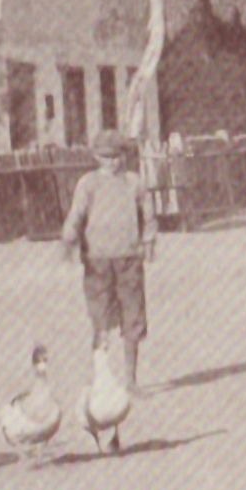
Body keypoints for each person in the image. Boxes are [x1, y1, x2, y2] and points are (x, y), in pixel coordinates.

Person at [61, 129, 157, 391]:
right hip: (97, 260)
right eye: (106, 156)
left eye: (117, 156)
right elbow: (76, 215)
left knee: (133, 317)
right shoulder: (88, 184)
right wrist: (69, 240)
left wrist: (149, 242)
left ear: (124, 156)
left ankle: (131, 381)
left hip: (128, 258)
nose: (112, 162)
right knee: (100, 317)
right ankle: (101, 378)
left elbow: (147, 214)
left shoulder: (133, 182)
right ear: (95, 156)